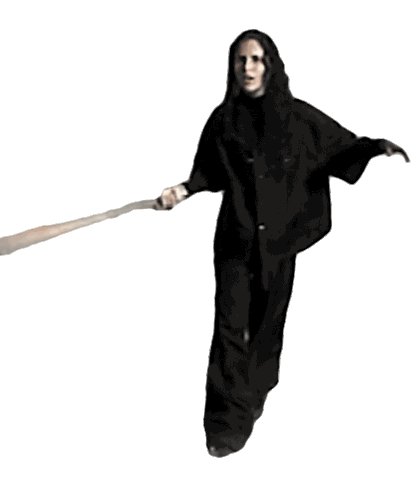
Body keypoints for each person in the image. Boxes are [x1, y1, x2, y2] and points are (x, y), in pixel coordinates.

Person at [156, 29, 409, 458]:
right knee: (229, 329)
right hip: (235, 242)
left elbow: (340, 149)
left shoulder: (298, 117)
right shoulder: (223, 120)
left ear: (270, 65)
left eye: (256, 59)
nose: (248, 67)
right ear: (232, 67)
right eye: (241, 60)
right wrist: (180, 191)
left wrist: (374, 148)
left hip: (279, 241)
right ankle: (224, 427)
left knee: (266, 330)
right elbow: (207, 173)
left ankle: (254, 393)